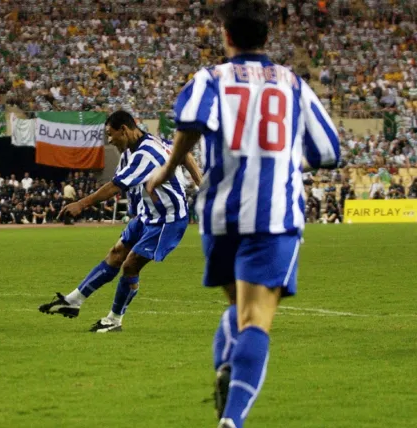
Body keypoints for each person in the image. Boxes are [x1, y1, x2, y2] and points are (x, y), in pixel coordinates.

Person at [144, 1, 340, 426]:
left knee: (237, 309)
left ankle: (226, 367)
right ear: (266, 36)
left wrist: (168, 168)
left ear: (226, 36)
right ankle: (232, 418)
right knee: (257, 319)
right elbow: (327, 151)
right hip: (274, 217)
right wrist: (288, 161)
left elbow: (190, 122)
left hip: (221, 214)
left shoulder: (209, 78)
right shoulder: (291, 83)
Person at [38, 110, 202, 333]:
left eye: (111, 134)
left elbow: (115, 186)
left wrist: (81, 204)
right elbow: (183, 154)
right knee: (116, 254)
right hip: (147, 215)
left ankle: (114, 320)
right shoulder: (140, 146)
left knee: (130, 265)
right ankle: (73, 301)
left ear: (124, 130)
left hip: (167, 220)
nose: (109, 139)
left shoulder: (146, 152)